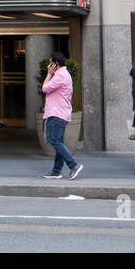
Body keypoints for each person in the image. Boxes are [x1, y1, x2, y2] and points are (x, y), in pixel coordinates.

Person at [41, 52, 82, 180]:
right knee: (58, 141)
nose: (48, 65)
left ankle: (73, 165)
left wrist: (48, 73)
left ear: (55, 64)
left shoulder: (60, 76)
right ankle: (56, 171)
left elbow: (45, 88)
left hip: (57, 113)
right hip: (60, 112)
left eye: (50, 63)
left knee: (54, 140)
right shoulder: (63, 74)